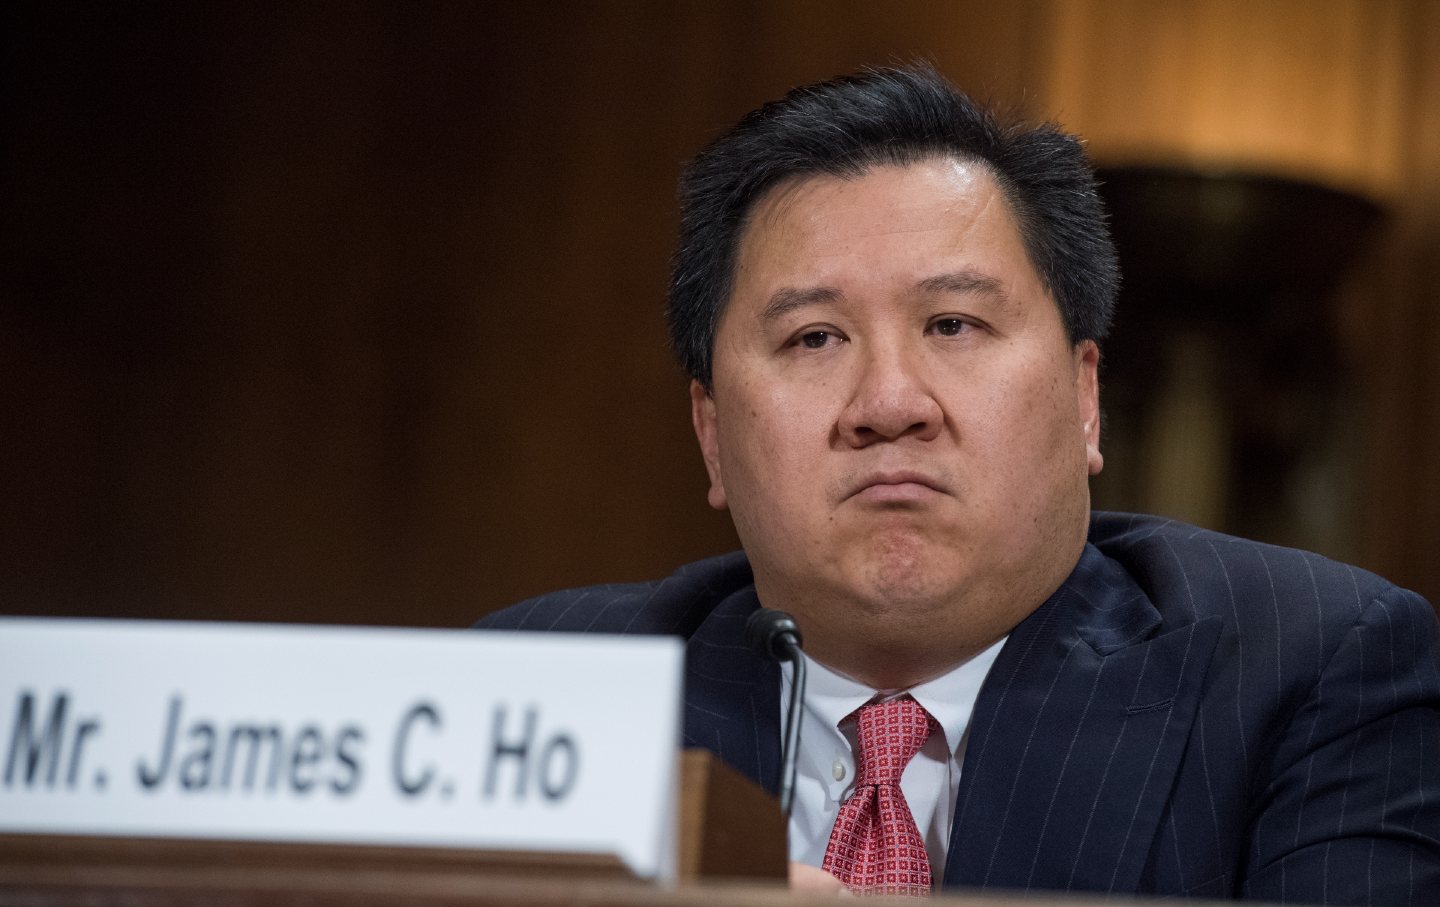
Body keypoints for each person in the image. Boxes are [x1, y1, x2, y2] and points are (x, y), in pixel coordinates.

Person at [477, 65, 1440, 902]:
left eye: (953, 325)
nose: (889, 403)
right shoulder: (538, 690)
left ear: (1084, 397)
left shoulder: (1311, 673)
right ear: (714, 436)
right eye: (815, 338)